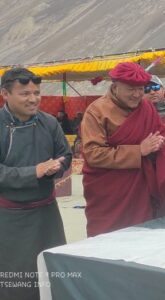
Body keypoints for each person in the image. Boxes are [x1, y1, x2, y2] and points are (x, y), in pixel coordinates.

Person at [0, 67, 72, 300]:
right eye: (25, 93)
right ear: (5, 94)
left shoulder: (49, 122)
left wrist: (56, 168)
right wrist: (34, 171)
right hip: (11, 218)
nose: (33, 99)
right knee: (17, 280)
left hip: (47, 214)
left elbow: (65, 154)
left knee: (53, 271)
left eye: (37, 92)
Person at [81, 62, 165, 236]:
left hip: (140, 188)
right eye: (131, 89)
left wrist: (160, 141)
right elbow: (93, 154)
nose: (137, 94)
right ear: (115, 86)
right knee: (106, 239)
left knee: (140, 235)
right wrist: (138, 151)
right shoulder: (97, 111)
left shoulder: (146, 107)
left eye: (141, 89)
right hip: (108, 191)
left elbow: (158, 132)